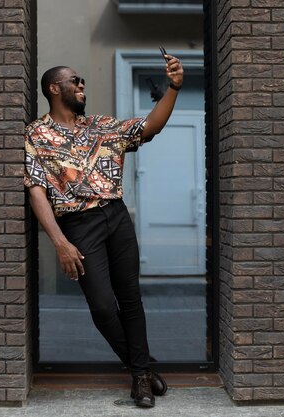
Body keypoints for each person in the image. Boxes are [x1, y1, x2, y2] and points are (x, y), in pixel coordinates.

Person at [24, 54, 184, 408]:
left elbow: (149, 127)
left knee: (130, 299)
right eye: (74, 81)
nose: (82, 86)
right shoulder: (37, 134)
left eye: (82, 82)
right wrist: (60, 243)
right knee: (101, 306)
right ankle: (140, 366)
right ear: (54, 88)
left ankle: (140, 377)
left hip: (116, 216)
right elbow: (36, 190)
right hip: (78, 225)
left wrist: (173, 87)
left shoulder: (100, 126)